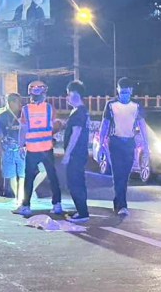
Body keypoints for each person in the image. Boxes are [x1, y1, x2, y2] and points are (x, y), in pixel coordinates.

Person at [98, 77, 150, 218]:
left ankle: (118, 201)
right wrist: (101, 144)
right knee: (117, 175)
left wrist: (146, 144)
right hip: (115, 143)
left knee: (124, 176)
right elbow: (105, 125)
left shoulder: (136, 106)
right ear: (118, 91)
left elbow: (142, 125)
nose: (124, 95)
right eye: (122, 92)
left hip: (129, 143)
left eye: (127, 92)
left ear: (131, 91)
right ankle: (122, 205)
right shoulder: (111, 105)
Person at [15, 80, 63, 217]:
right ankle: (57, 204)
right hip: (46, 148)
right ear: (44, 93)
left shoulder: (25, 110)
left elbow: (23, 129)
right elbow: (55, 126)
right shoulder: (49, 108)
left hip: (32, 148)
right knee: (52, 177)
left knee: (29, 178)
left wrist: (20, 145)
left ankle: (26, 206)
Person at [63, 80, 90, 222]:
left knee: (74, 182)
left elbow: (76, 133)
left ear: (75, 94)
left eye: (68, 94)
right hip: (79, 154)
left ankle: (83, 213)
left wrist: (67, 154)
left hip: (76, 155)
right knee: (78, 182)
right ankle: (81, 209)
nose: (67, 97)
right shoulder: (80, 111)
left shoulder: (79, 112)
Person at [0, 93, 25, 208]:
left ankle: (22, 197)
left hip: (22, 149)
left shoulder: (24, 114)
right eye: (17, 102)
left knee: (22, 174)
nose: (20, 104)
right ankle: (17, 196)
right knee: (11, 175)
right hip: (8, 149)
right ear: (11, 103)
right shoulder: (2, 116)